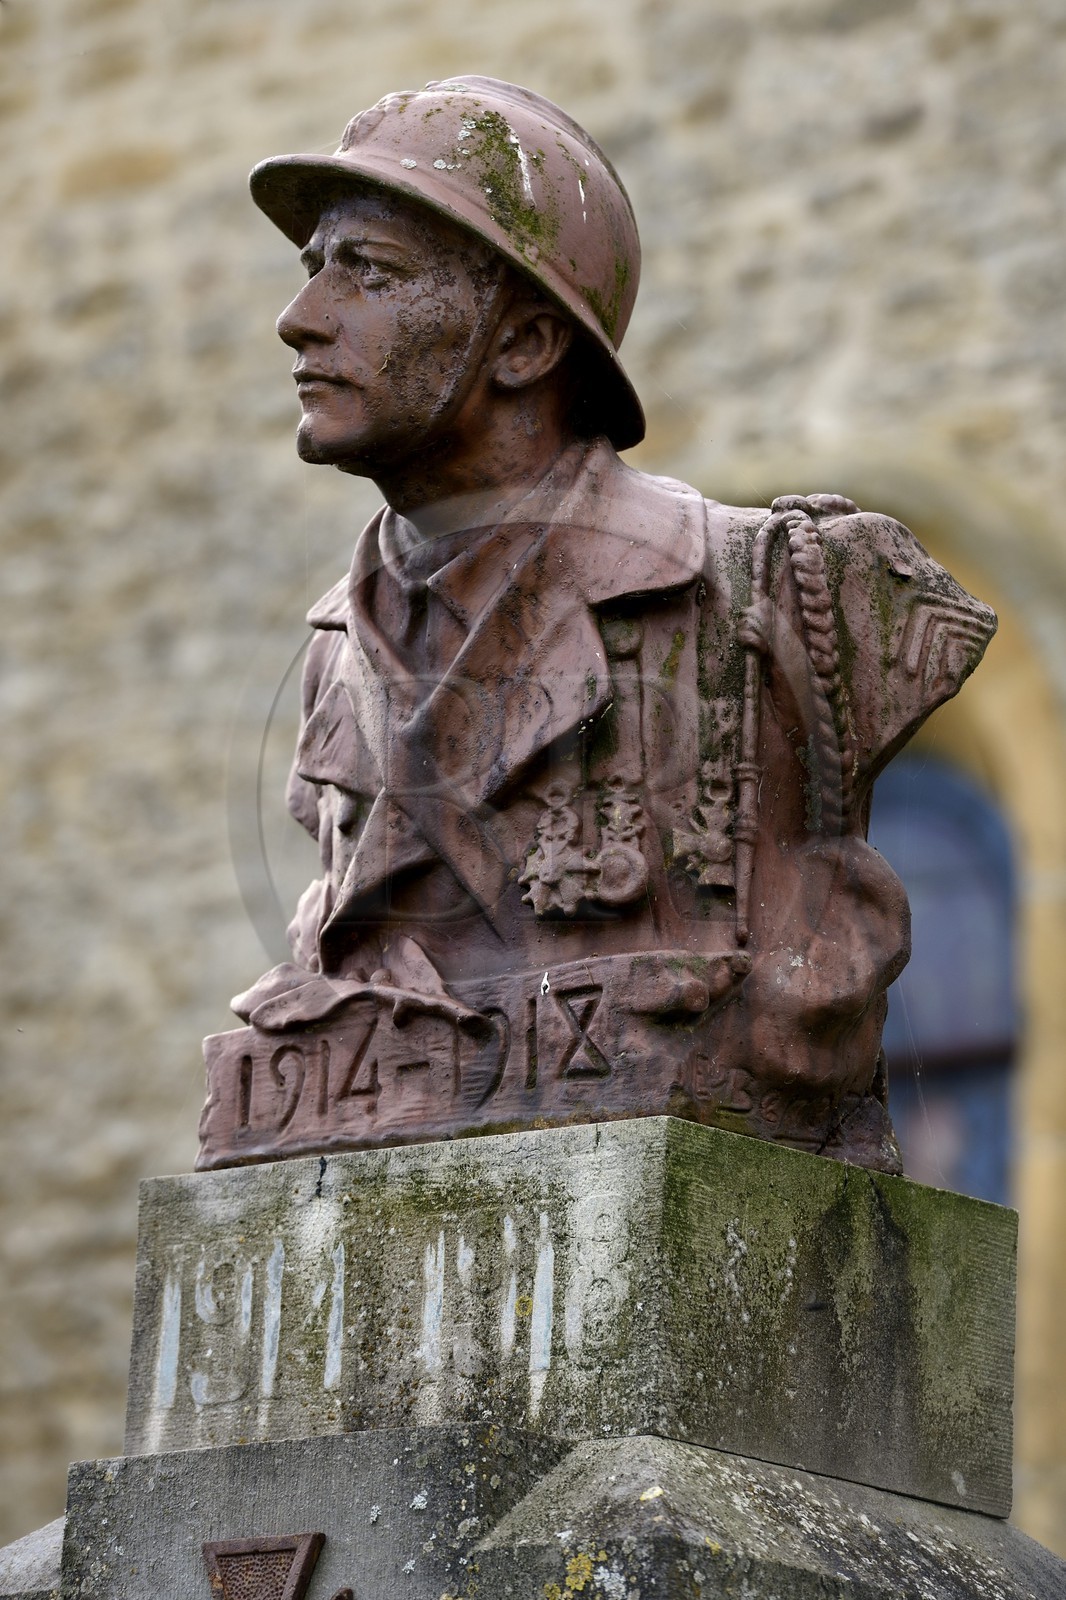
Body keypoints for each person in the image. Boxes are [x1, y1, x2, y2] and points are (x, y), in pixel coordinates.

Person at [198, 77, 996, 1172]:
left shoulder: (788, 587)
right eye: (312, 268)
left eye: (368, 272)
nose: (301, 318)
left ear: (525, 343)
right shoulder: (338, 655)